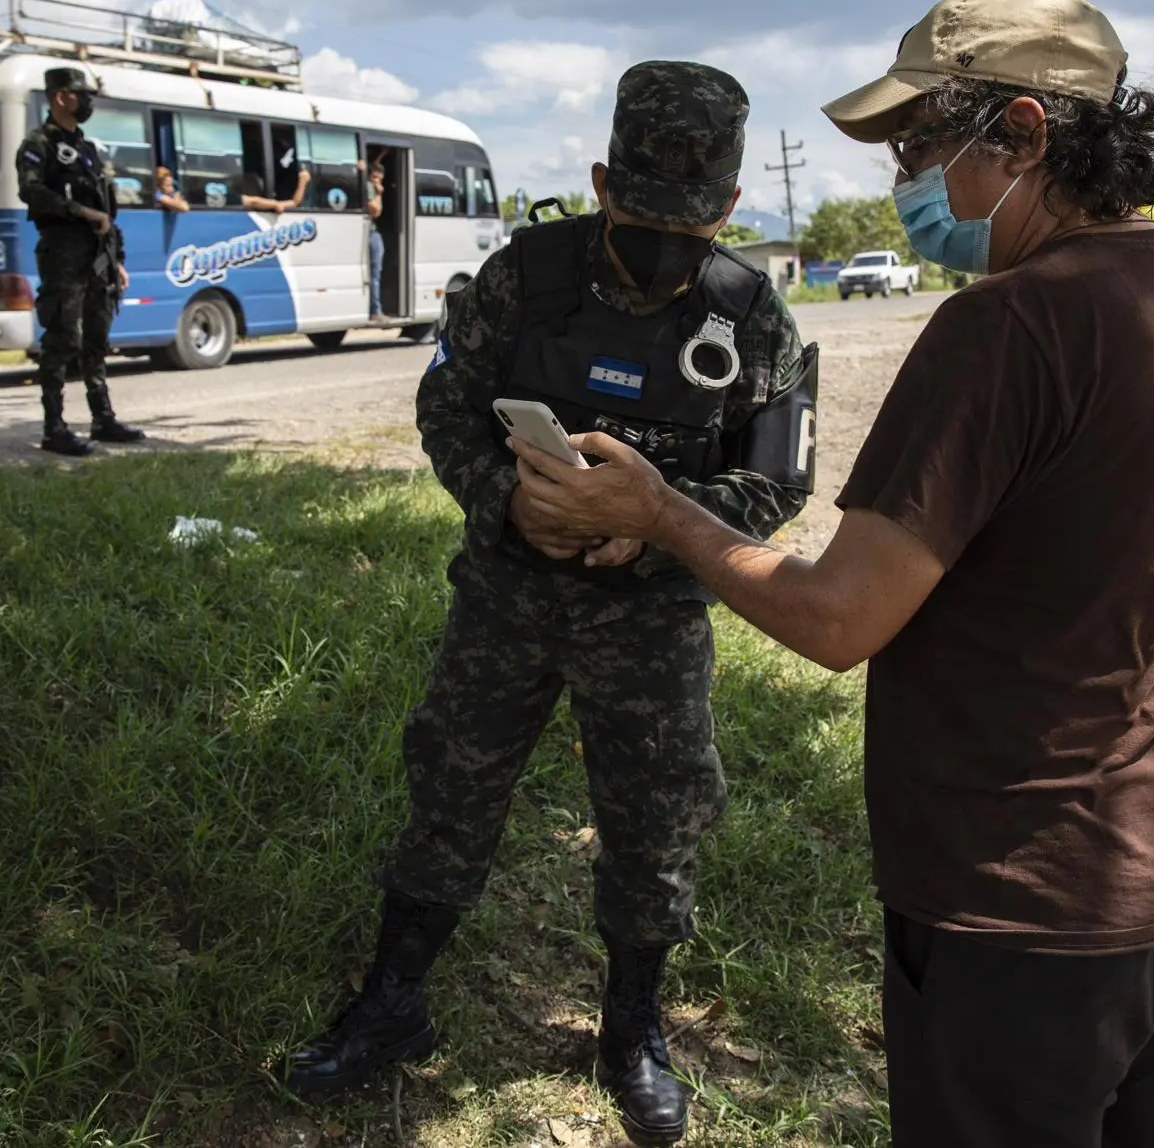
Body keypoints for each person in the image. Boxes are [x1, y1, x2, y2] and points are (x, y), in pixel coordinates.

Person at [509, 0, 1154, 1148]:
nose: (901, 178)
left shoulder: (1003, 329)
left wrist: (661, 510)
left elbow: (836, 619)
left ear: (1022, 132)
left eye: (919, 142)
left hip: (1012, 918)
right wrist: (1131, 749)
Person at [280, 61, 817, 1144]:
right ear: (600, 182)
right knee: (451, 784)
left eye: (690, 225)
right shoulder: (524, 277)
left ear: (723, 209)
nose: (664, 247)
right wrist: (503, 506)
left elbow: (777, 481)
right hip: (507, 598)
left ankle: (630, 1030)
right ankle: (392, 1003)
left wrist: (659, 520)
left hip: (649, 617)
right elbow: (446, 408)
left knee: (655, 814)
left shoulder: (752, 316)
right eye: (639, 218)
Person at [15, 66, 147, 456]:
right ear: (60, 97)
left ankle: (102, 417)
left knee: (96, 339)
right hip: (63, 256)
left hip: (98, 260)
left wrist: (116, 258)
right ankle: (54, 426)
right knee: (61, 340)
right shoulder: (37, 143)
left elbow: (107, 210)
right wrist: (80, 213)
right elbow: (31, 191)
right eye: (80, 94)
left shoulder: (88, 150)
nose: (86, 101)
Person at [365, 158, 386, 320]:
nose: (376, 181)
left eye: (379, 178)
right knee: (374, 273)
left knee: (375, 273)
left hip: (372, 231)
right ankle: (375, 310)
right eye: (374, 177)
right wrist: (379, 193)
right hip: (370, 233)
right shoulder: (369, 188)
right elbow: (376, 210)